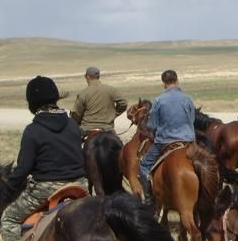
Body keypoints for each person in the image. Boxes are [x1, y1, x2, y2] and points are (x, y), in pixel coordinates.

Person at [0, 76, 87, 241]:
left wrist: (7, 191)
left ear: (32, 103)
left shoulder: (33, 130)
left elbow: (23, 169)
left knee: (8, 219)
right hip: (78, 186)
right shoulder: (73, 125)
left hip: (47, 189)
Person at [139, 70, 196, 208]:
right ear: (177, 81)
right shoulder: (188, 98)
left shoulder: (159, 100)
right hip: (188, 141)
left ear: (163, 84)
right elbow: (192, 120)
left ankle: (149, 200)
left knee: (144, 166)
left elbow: (152, 125)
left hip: (165, 141)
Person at [71, 66, 128, 138]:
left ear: (87, 77)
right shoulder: (111, 90)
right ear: (98, 76)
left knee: (72, 145)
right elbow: (123, 103)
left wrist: (76, 123)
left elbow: (76, 114)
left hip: (86, 129)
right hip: (107, 128)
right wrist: (114, 114)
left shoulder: (83, 93)